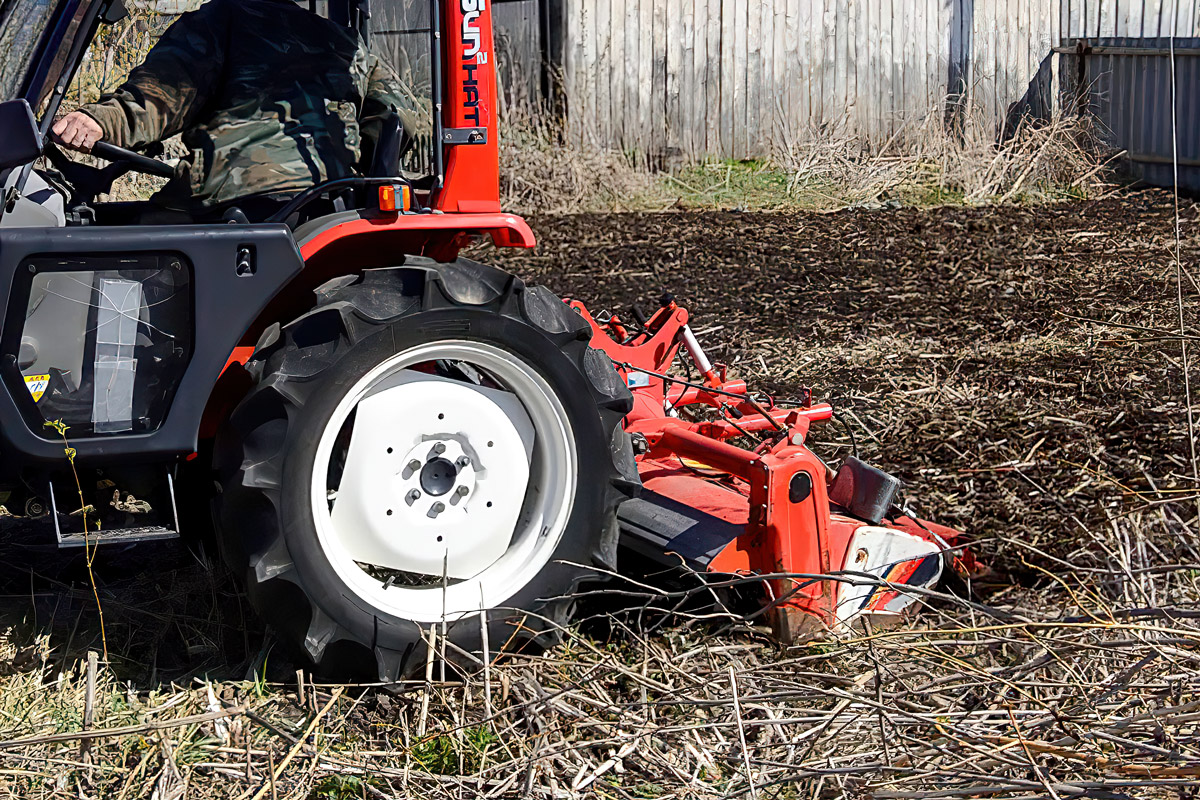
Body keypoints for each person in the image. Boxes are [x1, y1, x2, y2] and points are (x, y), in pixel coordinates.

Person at [53, 0, 415, 218]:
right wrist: (356, 171)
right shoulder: (344, 41)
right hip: (326, 203)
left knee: (123, 243)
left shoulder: (222, 20)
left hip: (230, 201)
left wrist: (99, 121)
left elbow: (162, 95)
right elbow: (402, 117)